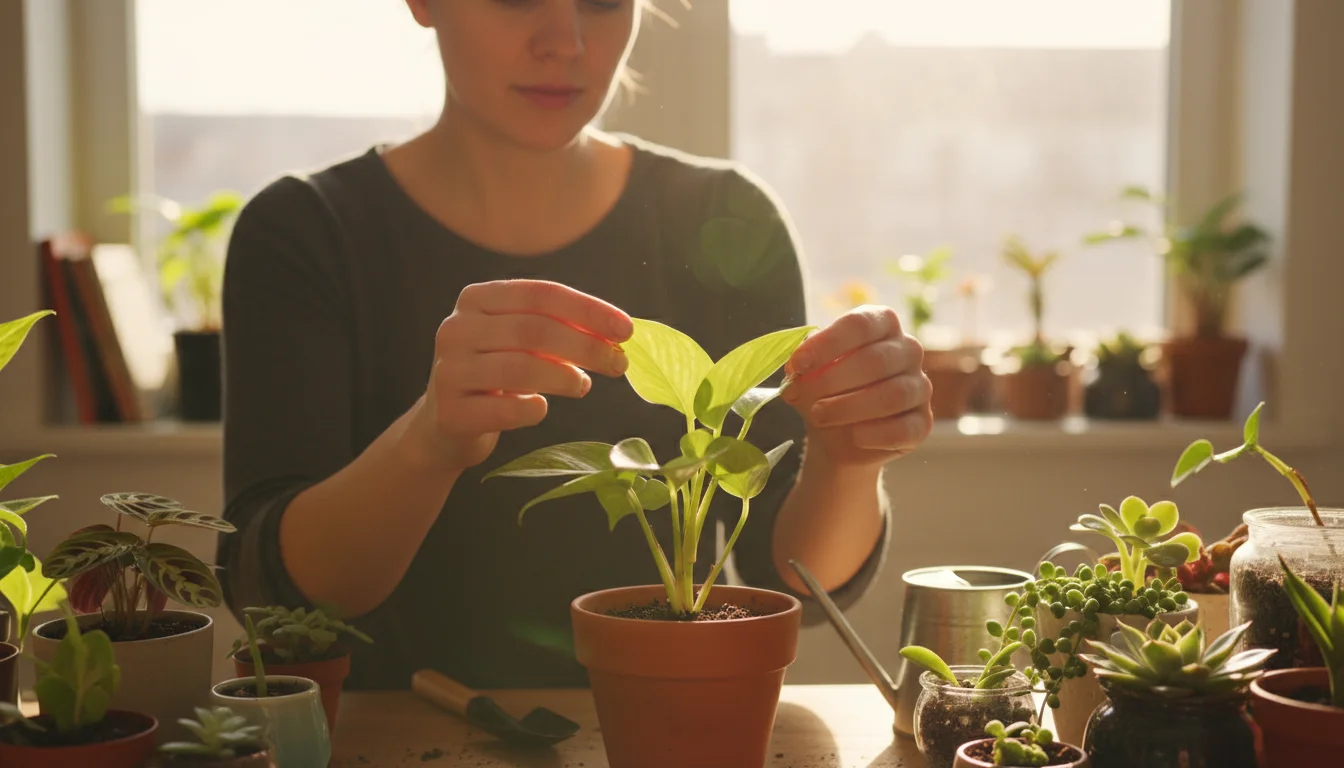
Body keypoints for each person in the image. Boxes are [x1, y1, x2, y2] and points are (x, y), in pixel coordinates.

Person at [217, 0, 932, 691]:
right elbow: (271, 590)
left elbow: (794, 579)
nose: (565, 40)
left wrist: (847, 460)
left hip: (666, 731)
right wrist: (428, 442)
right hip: (394, 734)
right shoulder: (306, 233)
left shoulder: (726, 218)